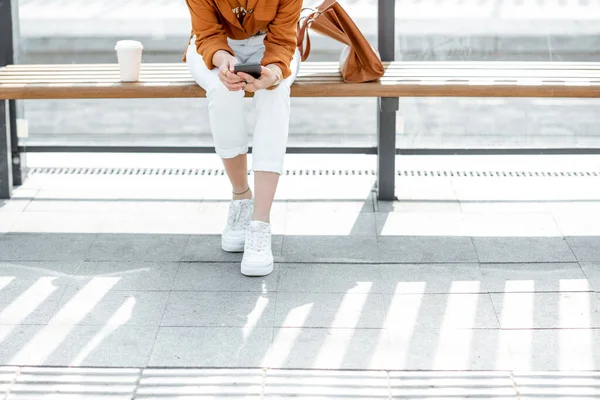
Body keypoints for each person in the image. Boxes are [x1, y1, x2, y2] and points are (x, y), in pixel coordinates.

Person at [184, 0, 302, 277]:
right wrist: (222, 58)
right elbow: (208, 34)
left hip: (273, 47)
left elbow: (284, 41)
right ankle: (241, 198)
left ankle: (260, 222)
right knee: (221, 88)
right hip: (217, 47)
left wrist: (272, 74)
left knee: (276, 92)